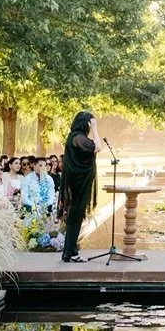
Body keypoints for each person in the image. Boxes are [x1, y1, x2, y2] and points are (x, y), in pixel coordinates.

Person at [60, 110, 99, 264]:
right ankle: (71, 252)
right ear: (86, 123)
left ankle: (69, 252)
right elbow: (96, 147)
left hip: (79, 181)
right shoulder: (77, 137)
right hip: (78, 182)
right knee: (75, 217)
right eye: (91, 123)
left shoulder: (75, 137)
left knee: (75, 217)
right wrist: (95, 129)